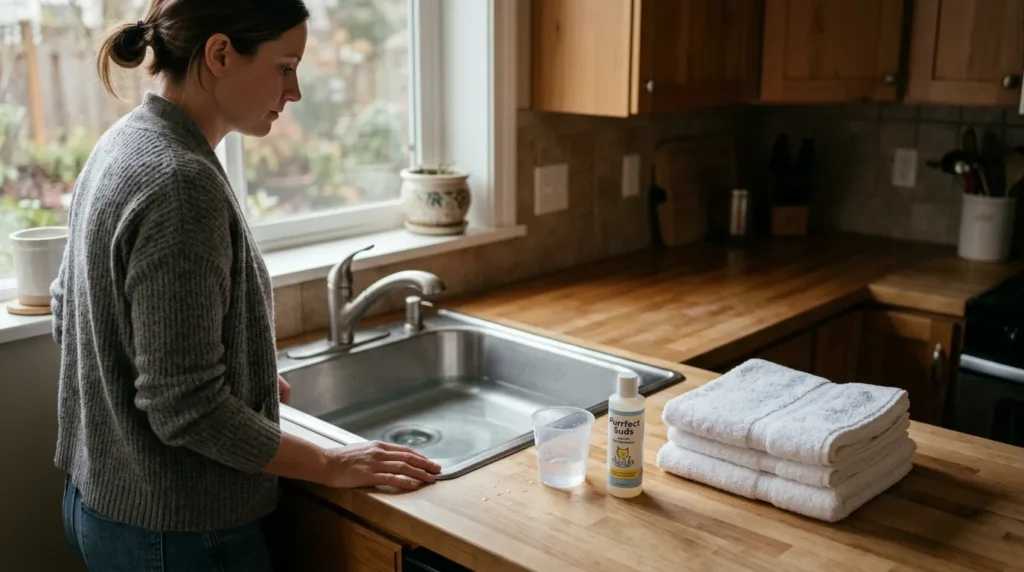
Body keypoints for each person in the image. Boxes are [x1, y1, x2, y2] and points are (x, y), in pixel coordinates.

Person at [49, 1, 441, 570]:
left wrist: (235, 374)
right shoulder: (180, 183)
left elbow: (70, 310)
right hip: (179, 531)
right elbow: (186, 409)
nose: (294, 91)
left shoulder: (122, 143)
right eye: (285, 67)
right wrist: (332, 463)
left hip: (101, 505)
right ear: (220, 54)